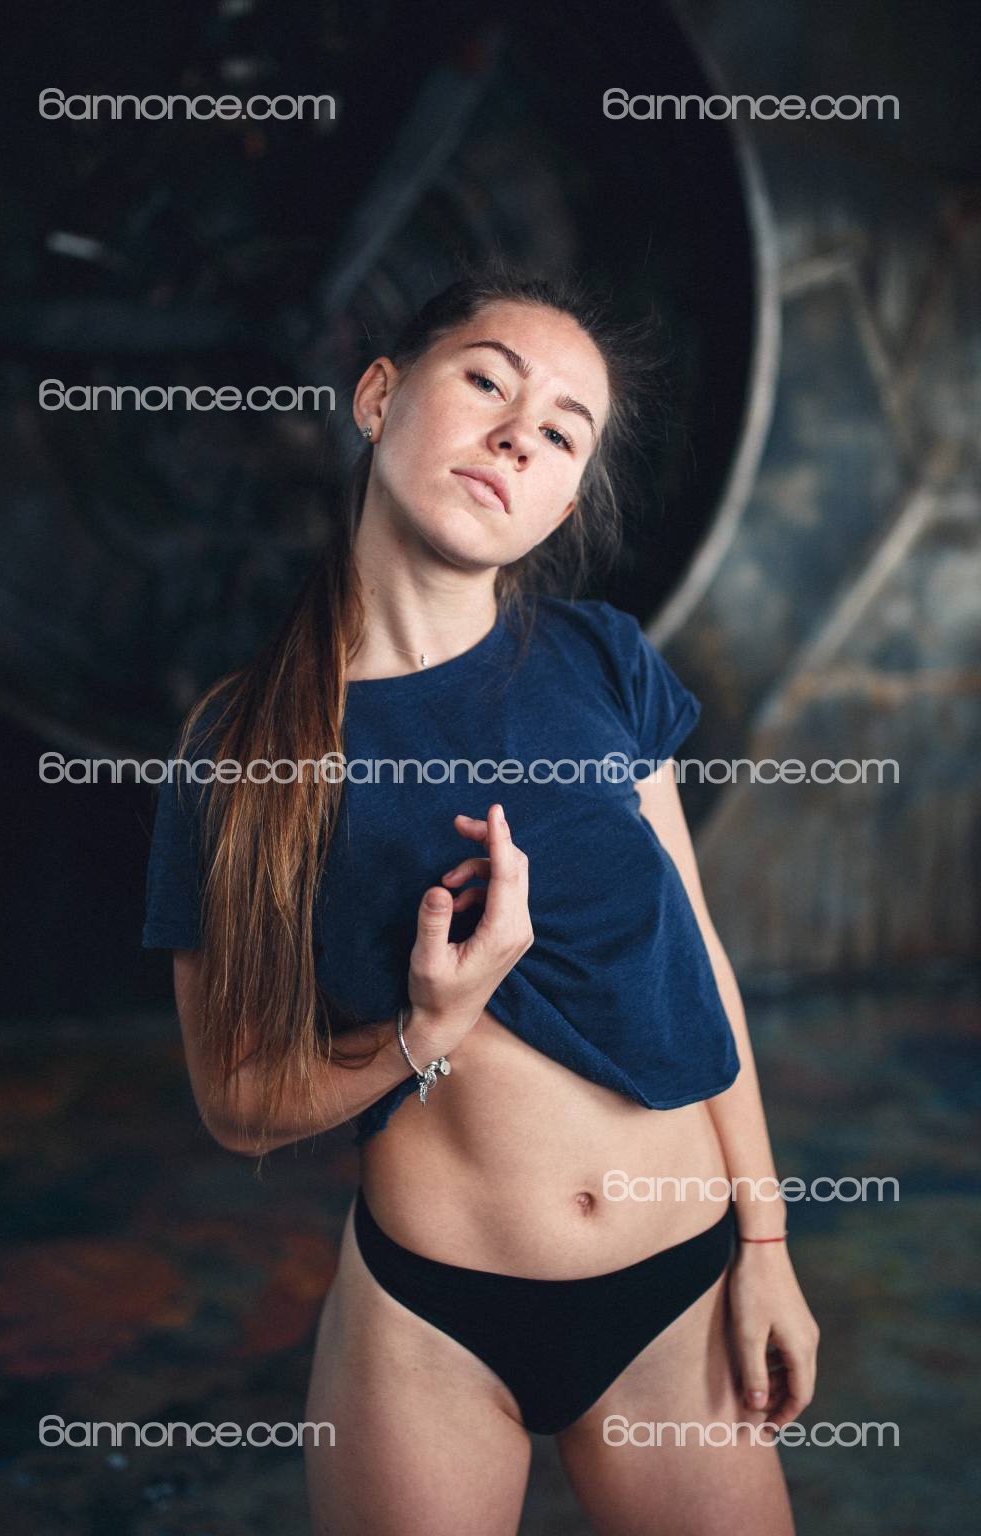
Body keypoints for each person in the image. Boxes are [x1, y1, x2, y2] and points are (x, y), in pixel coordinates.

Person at [143, 261, 818, 1535]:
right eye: (487, 383)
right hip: (429, 1326)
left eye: (562, 432)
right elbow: (235, 1103)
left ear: (563, 497)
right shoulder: (241, 746)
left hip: (674, 1294)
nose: (518, 435)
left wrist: (767, 1245)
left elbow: (699, 962)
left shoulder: (604, 662)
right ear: (379, 396)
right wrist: (426, 1028)